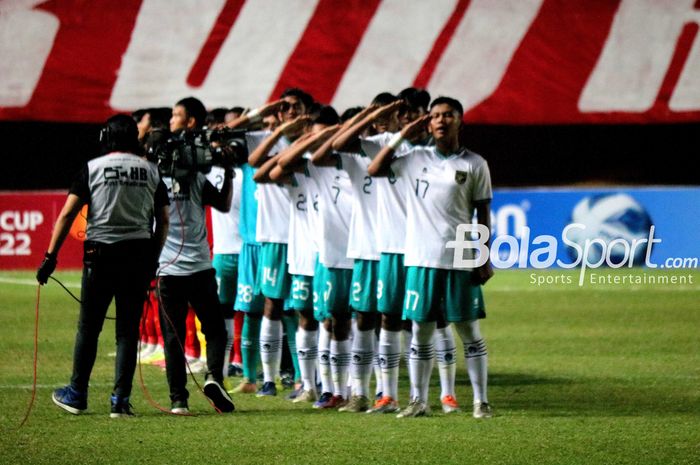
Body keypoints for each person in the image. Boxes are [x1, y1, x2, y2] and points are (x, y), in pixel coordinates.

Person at [367, 96, 494, 418]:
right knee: (421, 330)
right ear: (428, 122)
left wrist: (482, 256)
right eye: (435, 115)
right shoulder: (415, 157)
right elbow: (375, 167)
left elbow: (482, 212)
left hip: (460, 253)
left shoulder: (474, 163)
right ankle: (419, 401)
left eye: (448, 115)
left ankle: (481, 401)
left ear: (459, 121)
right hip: (420, 256)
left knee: (468, 331)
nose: (441, 120)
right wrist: (404, 132)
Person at [37, 114, 169, 417]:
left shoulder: (92, 168)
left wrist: (50, 256)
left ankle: (77, 394)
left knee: (89, 327)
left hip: (100, 256)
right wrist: (153, 258)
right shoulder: (151, 170)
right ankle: (120, 401)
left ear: (105, 137)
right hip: (138, 256)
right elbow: (162, 220)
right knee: (127, 331)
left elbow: (68, 214)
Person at [156, 96, 235, 414]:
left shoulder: (156, 177)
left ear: (189, 121)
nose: (172, 119)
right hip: (200, 266)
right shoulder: (199, 178)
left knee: (173, 336)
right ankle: (214, 375)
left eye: (176, 115)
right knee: (214, 329)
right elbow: (224, 205)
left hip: (168, 269)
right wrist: (228, 172)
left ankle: (179, 400)